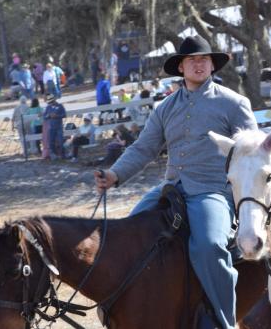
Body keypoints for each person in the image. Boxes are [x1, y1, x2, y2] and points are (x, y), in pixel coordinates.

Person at [94, 35, 257, 328]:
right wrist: (114, 175)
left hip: (213, 191)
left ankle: (224, 320)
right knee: (128, 235)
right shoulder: (165, 108)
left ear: (211, 65)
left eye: (204, 59)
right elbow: (143, 148)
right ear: (181, 67)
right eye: (193, 60)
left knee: (208, 245)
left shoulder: (234, 103)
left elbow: (252, 154)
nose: (199, 64)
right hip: (170, 188)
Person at [43, 94, 66, 160]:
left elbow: (64, 114)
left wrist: (57, 116)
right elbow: (44, 117)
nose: (51, 103)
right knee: (51, 141)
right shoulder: (48, 107)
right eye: (50, 102)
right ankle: (54, 154)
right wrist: (49, 116)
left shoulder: (60, 106)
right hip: (51, 127)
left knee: (61, 141)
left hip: (59, 126)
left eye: (52, 102)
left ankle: (62, 154)